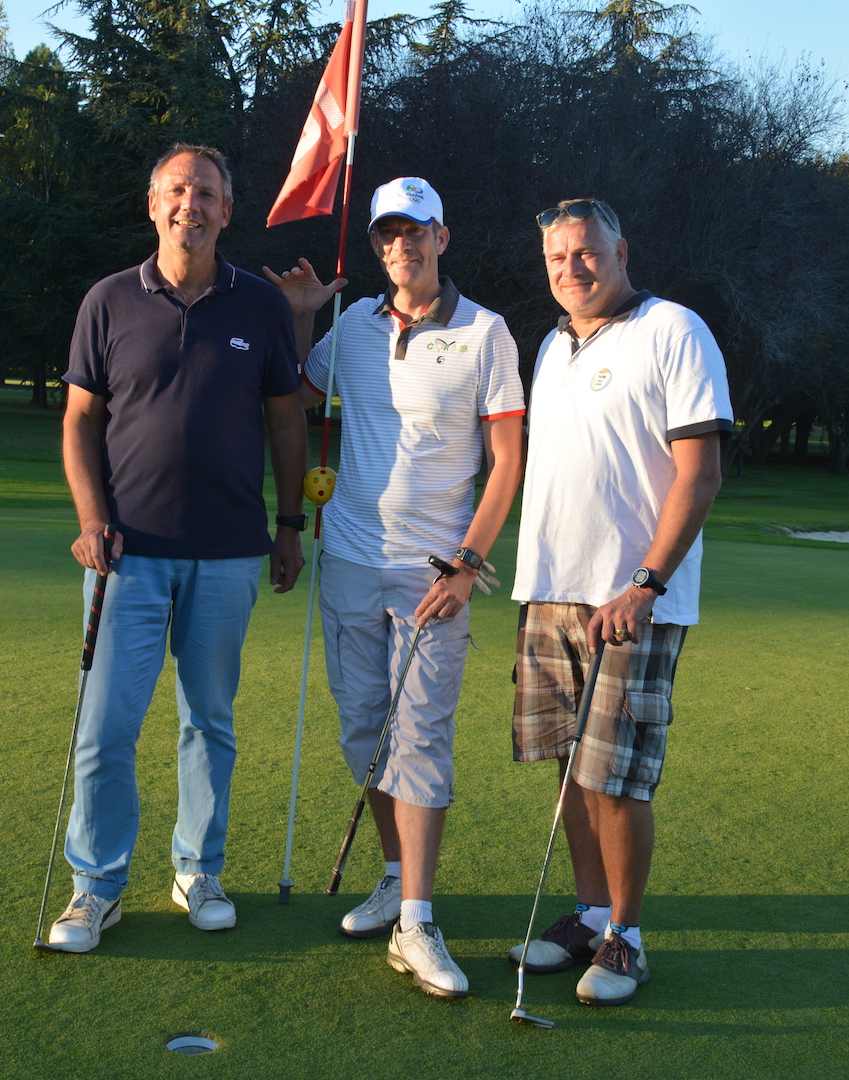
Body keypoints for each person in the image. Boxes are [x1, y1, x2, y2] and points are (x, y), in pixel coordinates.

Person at [264, 177, 525, 998]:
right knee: (366, 735)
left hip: (430, 575)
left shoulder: (487, 333)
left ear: (442, 237)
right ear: (376, 244)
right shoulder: (352, 327)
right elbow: (291, 398)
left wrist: (468, 561)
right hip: (345, 558)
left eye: (415, 233)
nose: (400, 248)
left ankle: (417, 917)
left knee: (421, 741)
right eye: (387, 236)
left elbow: (508, 459)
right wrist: (303, 314)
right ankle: (390, 874)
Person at [47, 144, 309, 952]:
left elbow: (287, 420)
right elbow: (80, 421)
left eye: (206, 193)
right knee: (105, 728)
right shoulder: (108, 300)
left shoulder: (259, 307)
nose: (190, 203)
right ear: (152, 203)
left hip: (229, 551)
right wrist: (92, 519)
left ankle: (198, 868)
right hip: (126, 552)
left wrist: (290, 524)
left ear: (228, 211)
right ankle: (96, 887)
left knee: (210, 721)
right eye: (176, 190)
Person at [507, 197, 731, 1006]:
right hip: (551, 594)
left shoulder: (673, 329)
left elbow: (699, 473)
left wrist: (645, 582)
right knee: (572, 773)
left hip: (630, 601)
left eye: (587, 252)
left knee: (618, 780)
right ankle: (590, 912)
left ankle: (626, 937)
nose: (572, 267)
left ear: (621, 251)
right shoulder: (551, 345)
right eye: (557, 257)